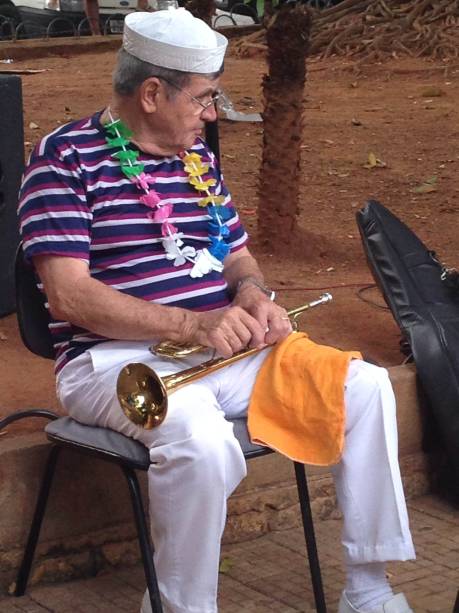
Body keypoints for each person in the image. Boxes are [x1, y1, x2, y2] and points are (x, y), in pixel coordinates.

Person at [18, 8, 416, 613]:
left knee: (364, 388)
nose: (212, 113)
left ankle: (368, 588)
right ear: (152, 93)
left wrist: (254, 295)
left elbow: (238, 258)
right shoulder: (64, 159)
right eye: (205, 98)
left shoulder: (196, 159)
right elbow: (69, 295)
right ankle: (182, 606)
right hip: (112, 365)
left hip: (217, 352)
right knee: (201, 442)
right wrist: (192, 323)